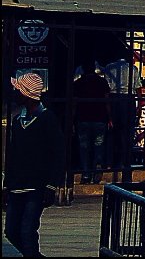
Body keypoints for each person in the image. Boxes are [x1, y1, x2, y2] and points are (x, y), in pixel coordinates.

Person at [6, 73, 65, 258]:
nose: (15, 93)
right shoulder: (18, 121)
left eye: (18, 90)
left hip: (36, 186)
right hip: (17, 186)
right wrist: (6, 183)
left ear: (27, 94)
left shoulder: (48, 119)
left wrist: (51, 184)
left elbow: (58, 153)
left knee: (27, 231)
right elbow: (12, 154)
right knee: (11, 231)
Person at [72, 62, 113, 183]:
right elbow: (107, 101)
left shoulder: (78, 84)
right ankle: (97, 169)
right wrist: (110, 117)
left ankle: (85, 174)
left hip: (82, 117)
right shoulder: (102, 82)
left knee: (84, 147)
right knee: (98, 145)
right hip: (100, 117)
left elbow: (74, 103)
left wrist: (72, 119)